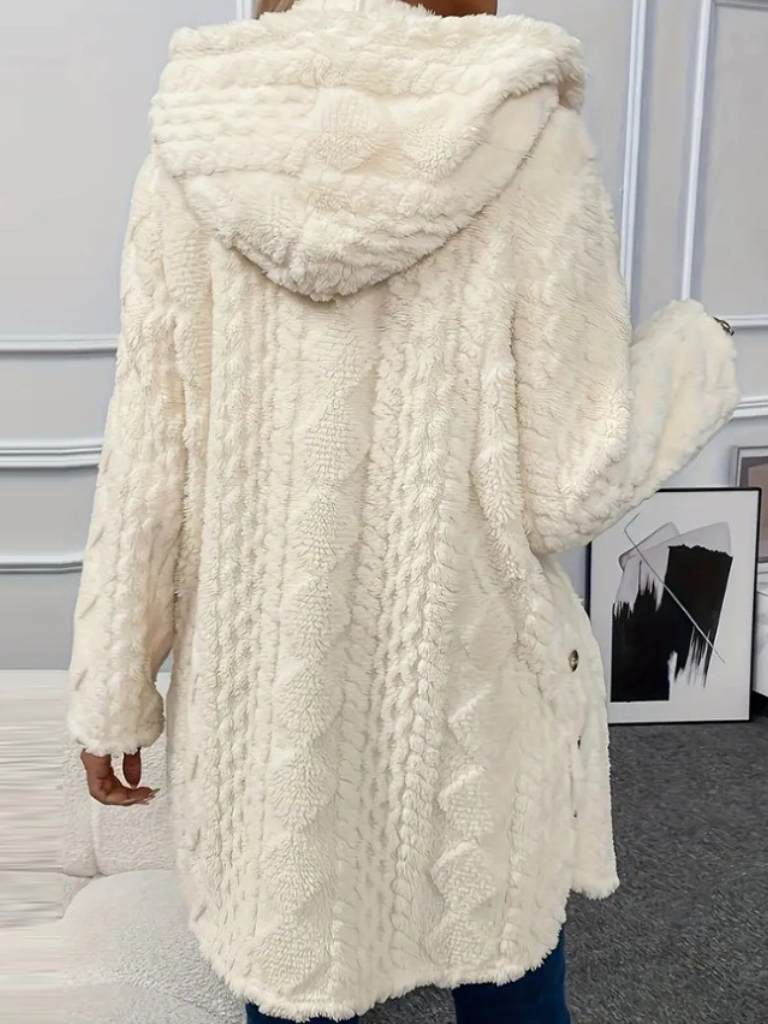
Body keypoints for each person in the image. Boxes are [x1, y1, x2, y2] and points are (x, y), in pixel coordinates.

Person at [68, 0, 738, 1021]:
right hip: (464, 661)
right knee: (502, 956)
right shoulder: (527, 143)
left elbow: (147, 457)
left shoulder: (195, 149)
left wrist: (116, 686)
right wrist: (696, 353)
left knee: (288, 952)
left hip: (266, 677)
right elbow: (572, 480)